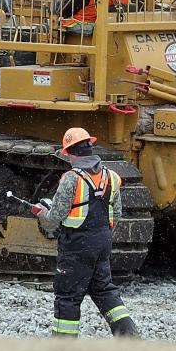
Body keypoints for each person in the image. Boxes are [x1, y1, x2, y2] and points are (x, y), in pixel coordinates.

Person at [31, 127, 140, 338]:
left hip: (77, 244)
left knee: (68, 295)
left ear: (70, 153)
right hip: (102, 241)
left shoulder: (71, 178)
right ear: (89, 148)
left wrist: (42, 213)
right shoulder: (112, 176)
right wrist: (100, 235)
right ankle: (128, 334)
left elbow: (54, 219)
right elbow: (115, 213)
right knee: (103, 289)